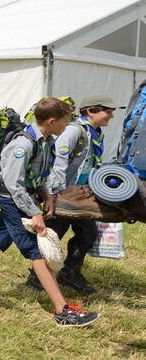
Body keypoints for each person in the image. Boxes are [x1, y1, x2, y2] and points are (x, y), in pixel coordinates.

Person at [0, 97, 99, 327]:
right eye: (65, 122)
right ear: (52, 121)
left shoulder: (45, 141)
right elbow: (13, 184)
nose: (68, 127)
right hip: (12, 201)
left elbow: (38, 175)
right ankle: (63, 312)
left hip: (23, 199)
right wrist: (34, 213)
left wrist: (47, 196)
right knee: (37, 251)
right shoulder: (22, 145)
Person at [27, 94, 123, 295]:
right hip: (64, 194)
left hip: (82, 194)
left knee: (88, 234)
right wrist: (55, 194)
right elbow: (59, 163)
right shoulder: (73, 130)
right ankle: (37, 277)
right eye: (108, 111)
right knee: (53, 235)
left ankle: (70, 273)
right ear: (91, 111)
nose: (111, 116)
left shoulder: (95, 133)